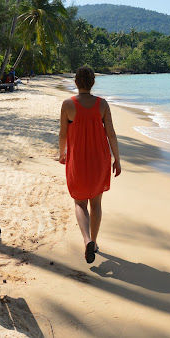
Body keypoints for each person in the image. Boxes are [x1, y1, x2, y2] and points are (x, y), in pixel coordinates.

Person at [59, 66, 122, 263]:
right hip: (99, 158)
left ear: (76, 82)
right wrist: (117, 159)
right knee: (96, 203)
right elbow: (111, 134)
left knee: (79, 202)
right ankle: (93, 242)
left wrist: (62, 153)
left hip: (77, 158)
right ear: (93, 82)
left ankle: (86, 239)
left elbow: (63, 134)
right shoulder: (102, 105)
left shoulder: (68, 104)